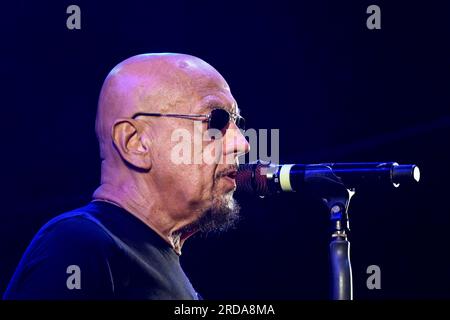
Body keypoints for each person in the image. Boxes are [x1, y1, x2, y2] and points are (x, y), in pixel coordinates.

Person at [3, 53, 249, 300]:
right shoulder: (77, 244)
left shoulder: (157, 264)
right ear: (135, 143)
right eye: (215, 121)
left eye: (237, 123)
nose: (242, 143)